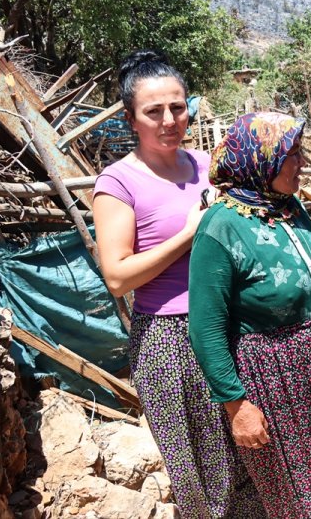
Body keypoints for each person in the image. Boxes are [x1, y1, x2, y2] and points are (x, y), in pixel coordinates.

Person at [93, 50, 264, 517]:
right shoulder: (118, 183)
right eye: (154, 111)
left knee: (253, 463)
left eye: (178, 106)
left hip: (230, 329)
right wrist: (191, 233)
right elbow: (116, 274)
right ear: (130, 119)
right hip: (170, 344)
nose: (170, 119)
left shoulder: (209, 166)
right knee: (202, 481)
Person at [187, 112, 311, 517]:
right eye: (291, 153)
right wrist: (237, 406)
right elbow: (205, 329)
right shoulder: (220, 228)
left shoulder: (290, 210)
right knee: (298, 488)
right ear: (260, 160)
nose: (301, 162)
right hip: (271, 374)